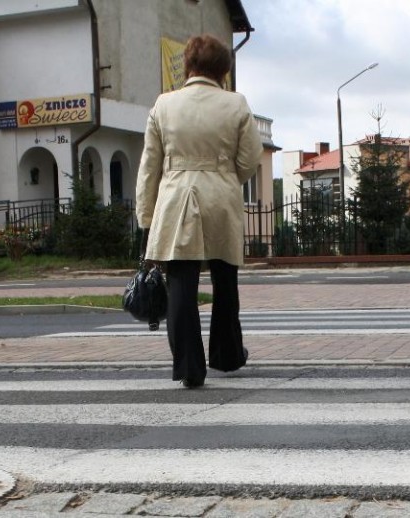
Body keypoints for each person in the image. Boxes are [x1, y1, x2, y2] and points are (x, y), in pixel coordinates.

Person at [136, 34, 263, 388]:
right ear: (224, 69)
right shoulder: (236, 104)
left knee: (181, 282)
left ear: (188, 65)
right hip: (220, 195)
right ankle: (227, 354)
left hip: (177, 195)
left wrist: (146, 216)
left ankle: (190, 366)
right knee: (225, 281)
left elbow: (150, 165)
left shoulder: (164, 105)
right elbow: (251, 158)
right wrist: (225, 175)